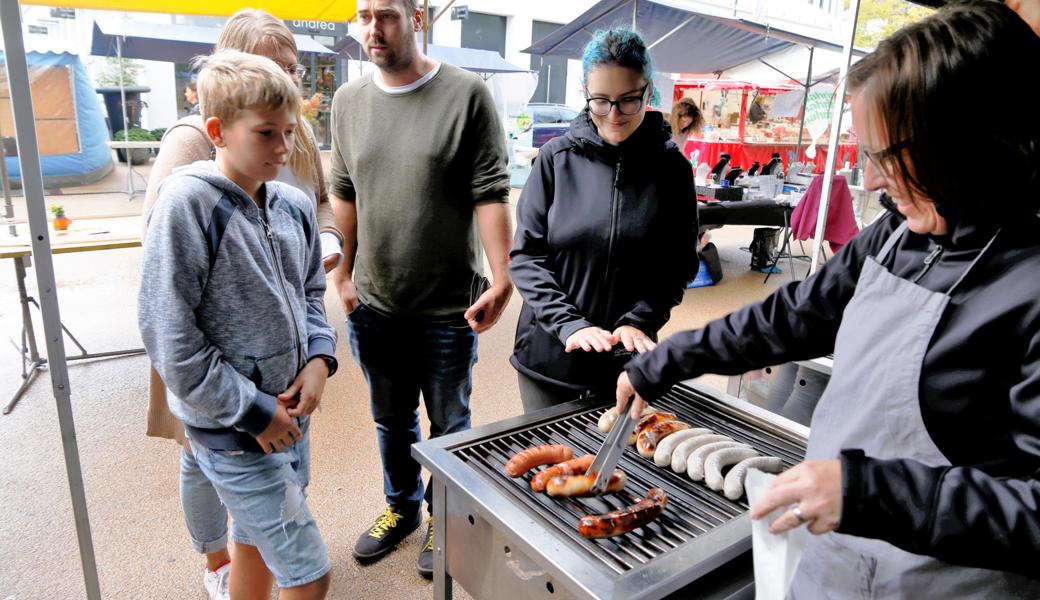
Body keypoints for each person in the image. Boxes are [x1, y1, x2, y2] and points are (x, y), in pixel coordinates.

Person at [616, 2, 1040, 595]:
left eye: (884, 154)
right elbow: (794, 317)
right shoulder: (894, 235)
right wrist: (669, 358)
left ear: (966, 142)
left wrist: (867, 492)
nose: (868, 181)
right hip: (836, 563)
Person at [140, 10, 341, 599]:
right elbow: (168, 330)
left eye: (289, 131)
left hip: (289, 413)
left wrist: (318, 359)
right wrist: (251, 410)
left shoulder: (291, 204)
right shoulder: (190, 204)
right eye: (266, 133)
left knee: (254, 542)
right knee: (309, 575)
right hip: (233, 425)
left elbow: (309, 290)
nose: (283, 148)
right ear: (218, 130)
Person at [328, 0, 513, 579]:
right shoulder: (347, 102)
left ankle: (443, 516)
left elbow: (491, 190)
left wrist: (503, 276)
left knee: (450, 424)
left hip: (448, 307)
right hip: (375, 305)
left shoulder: (467, 95)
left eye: (385, 14)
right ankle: (402, 508)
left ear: (418, 16)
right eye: (363, 16)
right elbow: (344, 190)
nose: (372, 29)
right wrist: (343, 273)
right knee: (391, 420)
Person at [509, 28, 696, 413]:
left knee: (618, 466)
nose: (613, 115)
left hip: (625, 360)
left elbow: (677, 264)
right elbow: (526, 257)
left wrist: (640, 321)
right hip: (549, 355)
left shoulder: (672, 170)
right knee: (553, 467)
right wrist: (570, 324)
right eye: (600, 101)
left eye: (628, 101)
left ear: (648, 92)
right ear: (585, 93)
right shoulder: (554, 160)